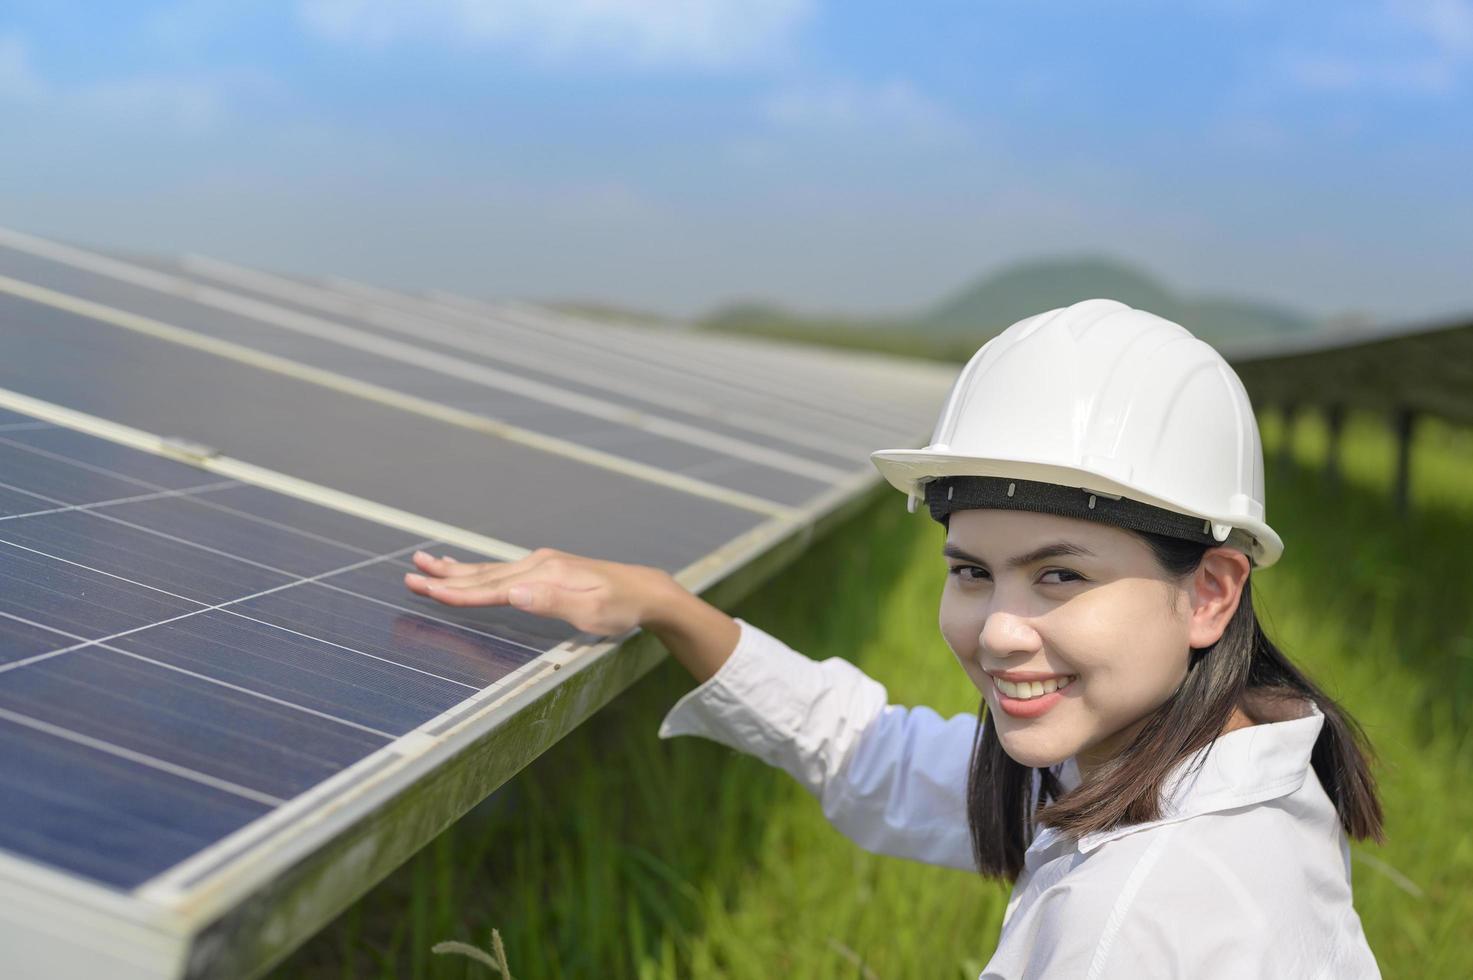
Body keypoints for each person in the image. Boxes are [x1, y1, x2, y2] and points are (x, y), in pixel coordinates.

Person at [404, 298, 1385, 978]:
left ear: (1210, 591)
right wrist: (671, 605)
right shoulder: (1199, 758)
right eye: (970, 570)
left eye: (1061, 575)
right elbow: (877, 754)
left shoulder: (1132, 922)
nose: (1000, 629)